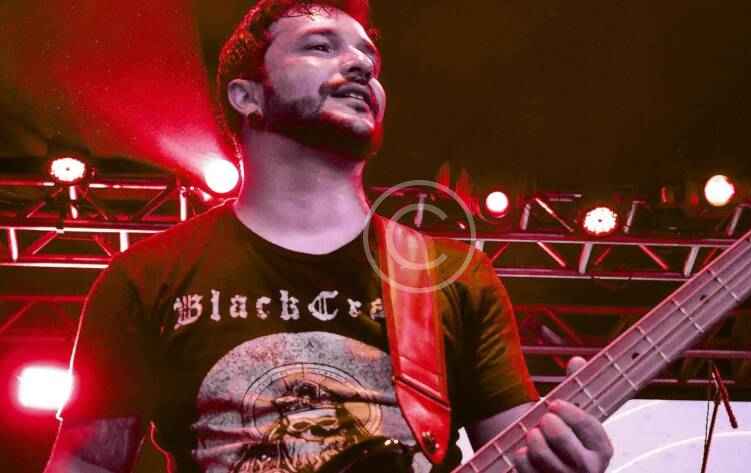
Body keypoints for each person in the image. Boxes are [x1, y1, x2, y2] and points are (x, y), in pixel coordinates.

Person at [44, 1, 614, 472]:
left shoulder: (450, 276)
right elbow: (86, 462)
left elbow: (514, 452)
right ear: (247, 95)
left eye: (369, 56)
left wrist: (564, 462)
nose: (361, 65)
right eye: (321, 46)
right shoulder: (146, 277)